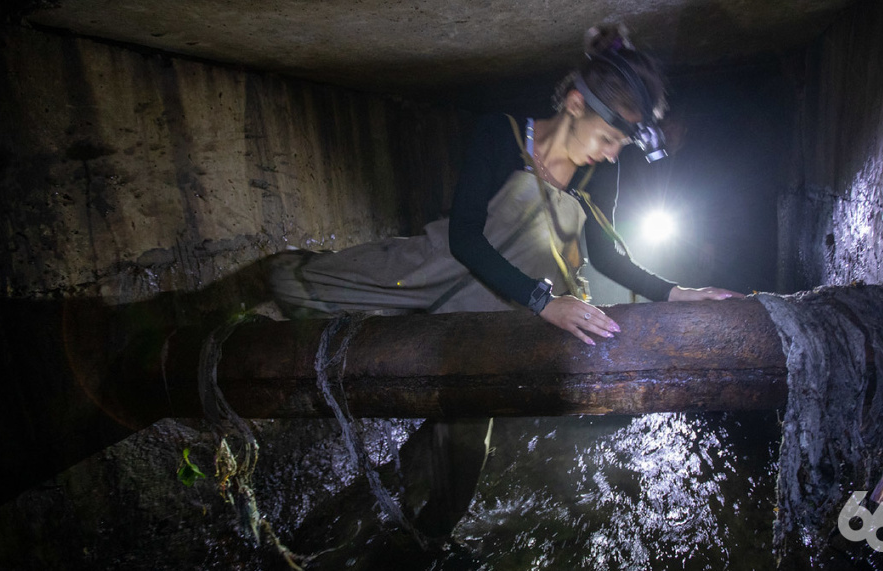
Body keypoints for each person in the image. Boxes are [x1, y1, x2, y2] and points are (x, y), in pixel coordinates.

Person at [269, 24, 743, 344]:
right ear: (575, 105)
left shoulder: (602, 173)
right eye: (608, 138)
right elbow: (464, 237)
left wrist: (675, 293)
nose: (612, 153)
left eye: (620, 144)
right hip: (428, 270)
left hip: (499, 310)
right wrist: (545, 302)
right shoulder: (502, 133)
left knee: (464, 431)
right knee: (294, 288)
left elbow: (604, 255)